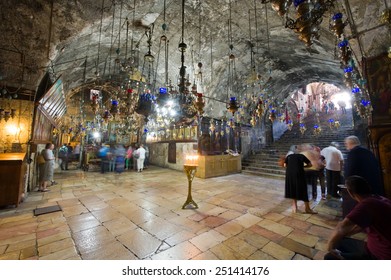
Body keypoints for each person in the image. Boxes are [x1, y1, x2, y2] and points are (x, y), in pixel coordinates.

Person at [325, 176, 391, 260]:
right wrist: (344, 235)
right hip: (372, 248)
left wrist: (330, 248)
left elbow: (341, 227)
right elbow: (360, 226)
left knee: (329, 257)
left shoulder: (367, 204)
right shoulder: (379, 199)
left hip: (379, 256)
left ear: (350, 192)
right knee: (340, 240)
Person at [343, 135, 384, 216]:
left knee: (364, 208)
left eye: (346, 144)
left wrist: (346, 182)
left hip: (361, 186)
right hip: (374, 183)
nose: (346, 145)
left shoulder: (353, 153)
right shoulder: (367, 151)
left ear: (350, 143)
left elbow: (350, 170)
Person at [284, 146, 317, 214]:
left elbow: (285, 165)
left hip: (290, 175)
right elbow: (310, 164)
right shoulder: (301, 156)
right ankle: (307, 208)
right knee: (303, 190)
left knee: (293, 189)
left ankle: (295, 207)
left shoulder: (289, 156)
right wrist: (303, 167)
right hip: (299, 174)